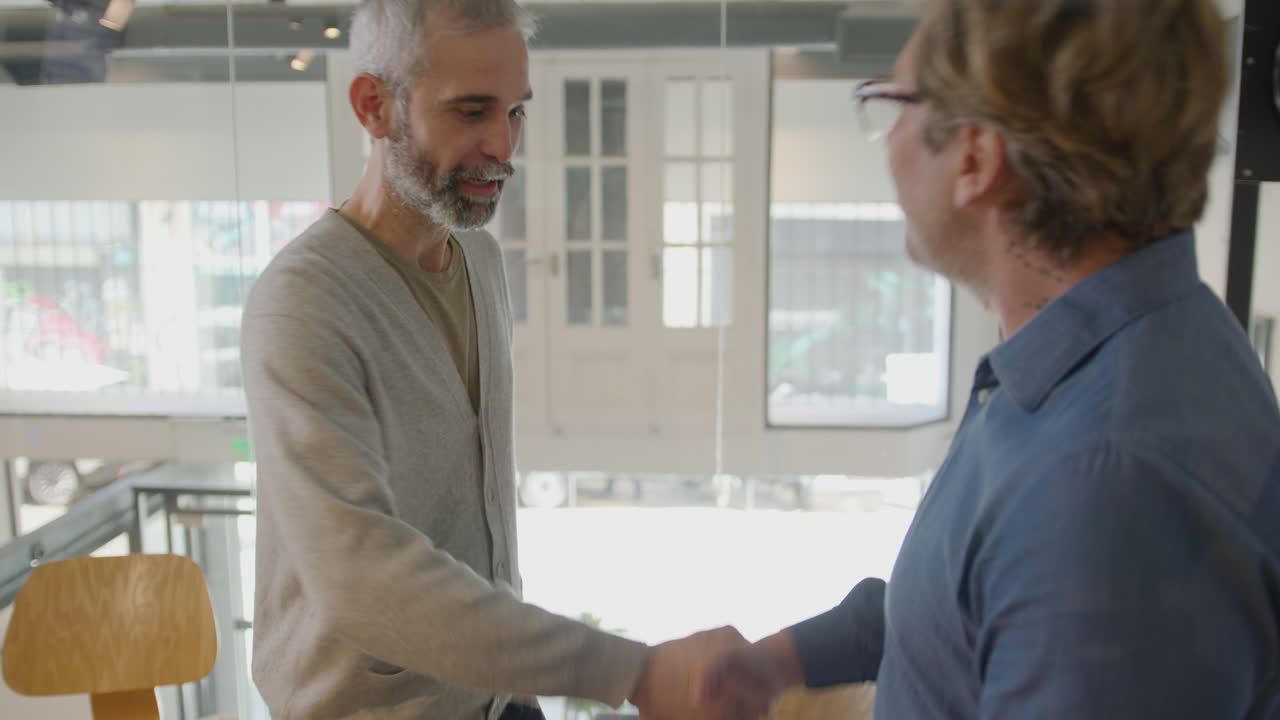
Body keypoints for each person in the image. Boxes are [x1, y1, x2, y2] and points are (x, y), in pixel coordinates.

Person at [702, 0, 1280, 718]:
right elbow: (976, 603)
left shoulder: (1101, 485)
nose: (886, 141)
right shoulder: (1105, 355)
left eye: (893, 102)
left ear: (974, 155)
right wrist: (776, 664)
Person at [240, 1, 755, 718]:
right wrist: (629, 671)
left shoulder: (478, 257)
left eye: (515, 112)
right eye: (470, 112)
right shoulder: (302, 305)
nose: (502, 144)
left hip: (493, 700)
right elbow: (362, 579)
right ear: (374, 106)